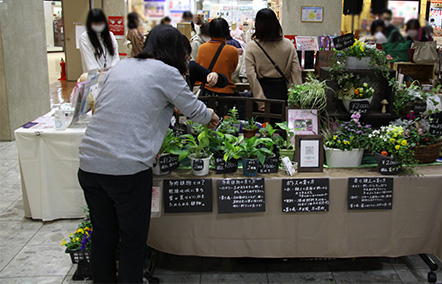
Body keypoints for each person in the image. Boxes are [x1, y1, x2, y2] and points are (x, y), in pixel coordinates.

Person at [78, 25, 219, 284]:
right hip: (126, 170)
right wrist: (212, 116)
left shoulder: (122, 66)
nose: (186, 61)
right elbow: (195, 111)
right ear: (175, 52)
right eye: (185, 56)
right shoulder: (166, 72)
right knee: (132, 241)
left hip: (89, 165)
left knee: (103, 236)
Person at [245, 8, 301, 113]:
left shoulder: (252, 46)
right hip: (281, 92)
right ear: (276, 23)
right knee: (282, 125)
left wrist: (260, 100)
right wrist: (297, 98)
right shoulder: (288, 44)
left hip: (261, 90)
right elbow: (296, 72)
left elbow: (251, 75)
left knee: (262, 127)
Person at [196, 18, 239, 98]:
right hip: (225, 91)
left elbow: (199, 68)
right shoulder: (232, 50)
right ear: (227, 31)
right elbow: (233, 69)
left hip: (206, 91)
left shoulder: (202, 48)